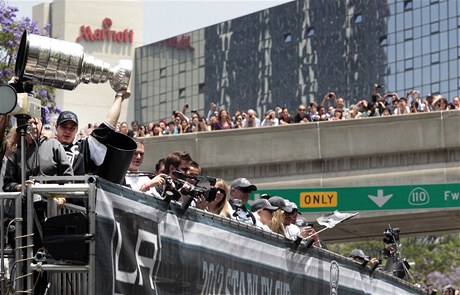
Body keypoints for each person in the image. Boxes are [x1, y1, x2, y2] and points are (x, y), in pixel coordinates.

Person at [55, 88, 131, 177]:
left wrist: (119, 96)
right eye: (64, 127)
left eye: (72, 128)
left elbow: (108, 125)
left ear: (77, 130)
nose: (67, 131)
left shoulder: (84, 148)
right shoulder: (45, 147)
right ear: (56, 127)